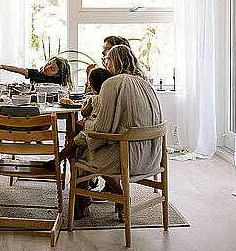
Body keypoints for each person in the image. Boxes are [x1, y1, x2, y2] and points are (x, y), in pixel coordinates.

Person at [47, 45, 162, 221]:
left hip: (127, 159)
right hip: (152, 157)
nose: (105, 63)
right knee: (91, 145)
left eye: (107, 60)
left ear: (114, 61)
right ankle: (115, 199)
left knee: (80, 150)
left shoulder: (112, 84)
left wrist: (86, 130)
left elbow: (101, 130)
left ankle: (83, 205)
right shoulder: (146, 83)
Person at [0, 56, 72, 89]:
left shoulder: (58, 85)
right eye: (49, 63)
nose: (47, 67)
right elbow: (17, 69)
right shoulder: (36, 74)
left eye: (52, 69)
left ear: (56, 75)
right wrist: (2, 66)